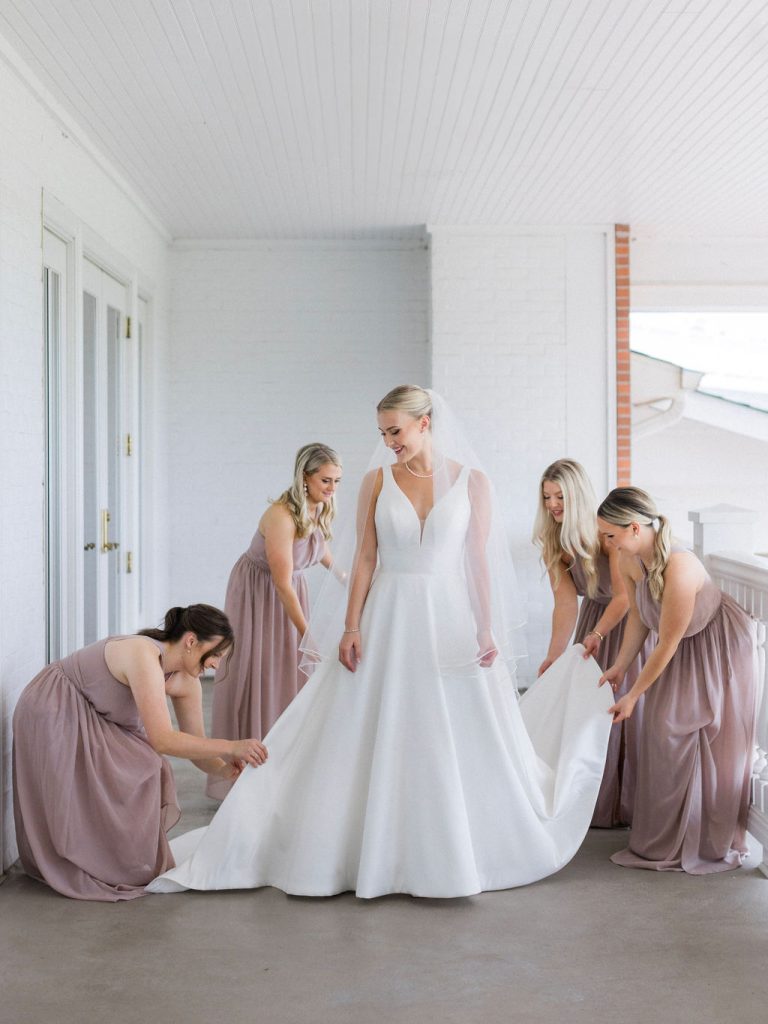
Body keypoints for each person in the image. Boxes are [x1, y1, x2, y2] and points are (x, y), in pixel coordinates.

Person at [149, 387, 612, 899]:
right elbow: (366, 557)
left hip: (449, 617)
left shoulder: (473, 482)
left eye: (396, 431)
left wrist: (485, 628)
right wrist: (351, 626)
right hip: (386, 613)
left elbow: (476, 560)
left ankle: (447, 846)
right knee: (364, 720)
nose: (389, 441)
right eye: (383, 432)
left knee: (449, 724)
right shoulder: (376, 480)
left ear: (425, 423)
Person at [12, 605, 268, 901]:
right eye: (216, 654)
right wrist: (231, 745)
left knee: (146, 764)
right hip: (54, 705)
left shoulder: (187, 682)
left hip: (94, 714)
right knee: (146, 761)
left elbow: (195, 746)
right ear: (191, 641)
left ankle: (110, 857)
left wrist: (224, 769)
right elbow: (163, 740)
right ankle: (81, 856)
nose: (216, 665)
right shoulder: (143, 654)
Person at [597, 487, 758, 873]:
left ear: (635, 528)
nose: (607, 543)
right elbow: (639, 618)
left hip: (716, 646)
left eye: (611, 535)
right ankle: (667, 835)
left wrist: (634, 695)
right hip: (682, 647)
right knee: (660, 730)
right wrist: (620, 665)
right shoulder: (629, 558)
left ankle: (701, 838)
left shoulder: (679, 566)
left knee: (682, 729)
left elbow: (668, 640)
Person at [206, 443, 342, 799]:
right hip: (259, 593)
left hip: (289, 589)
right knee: (260, 668)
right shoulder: (281, 516)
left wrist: (345, 577)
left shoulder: (318, 506)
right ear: (305, 477)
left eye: (337, 481)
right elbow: (281, 582)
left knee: (288, 668)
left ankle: (286, 767)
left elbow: (320, 549)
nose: (332, 488)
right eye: (326, 480)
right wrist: (308, 635)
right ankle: (248, 771)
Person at [533, 459, 644, 827]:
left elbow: (624, 597)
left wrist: (596, 635)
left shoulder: (605, 535)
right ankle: (597, 801)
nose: (552, 504)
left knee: (624, 708)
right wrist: (554, 655)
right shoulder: (553, 542)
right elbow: (565, 604)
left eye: (560, 496)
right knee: (590, 710)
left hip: (628, 621)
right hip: (593, 621)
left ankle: (630, 802)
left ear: (577, 495)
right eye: (547, 496)